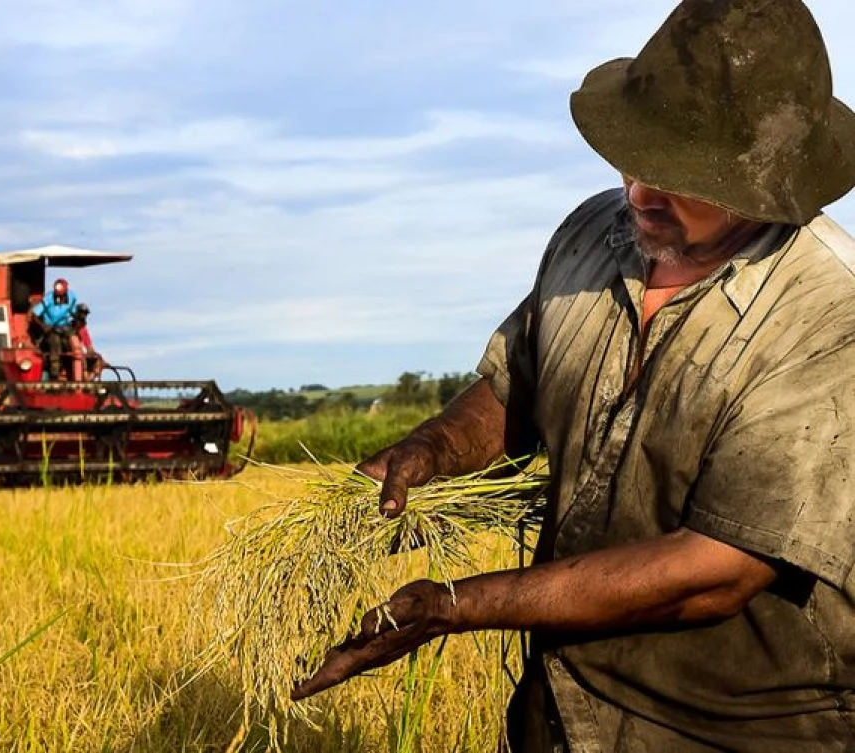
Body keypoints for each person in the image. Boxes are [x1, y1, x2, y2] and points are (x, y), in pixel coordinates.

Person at [291, 1, 855, 751]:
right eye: (636, 160)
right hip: (558, 707)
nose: (640, 194)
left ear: (764, 184)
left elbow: (714, 570)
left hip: (730, 726)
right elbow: (518, 384)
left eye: (680, 176)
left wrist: (456, 605)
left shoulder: (828, 317)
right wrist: (429, 449)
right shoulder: (594, 233)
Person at [30, 278, 80, 379]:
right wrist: (44, 326)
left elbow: (74, 312)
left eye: (61, 296)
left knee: (74, 343)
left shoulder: (72, 297)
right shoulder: (48, 299)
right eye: (57, 296)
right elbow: (34, 315)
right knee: (55, 343)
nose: (59, 298)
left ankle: (74, 371)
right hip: (51, 328)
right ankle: (54, 373)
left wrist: (77, 320)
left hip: (66, 326)